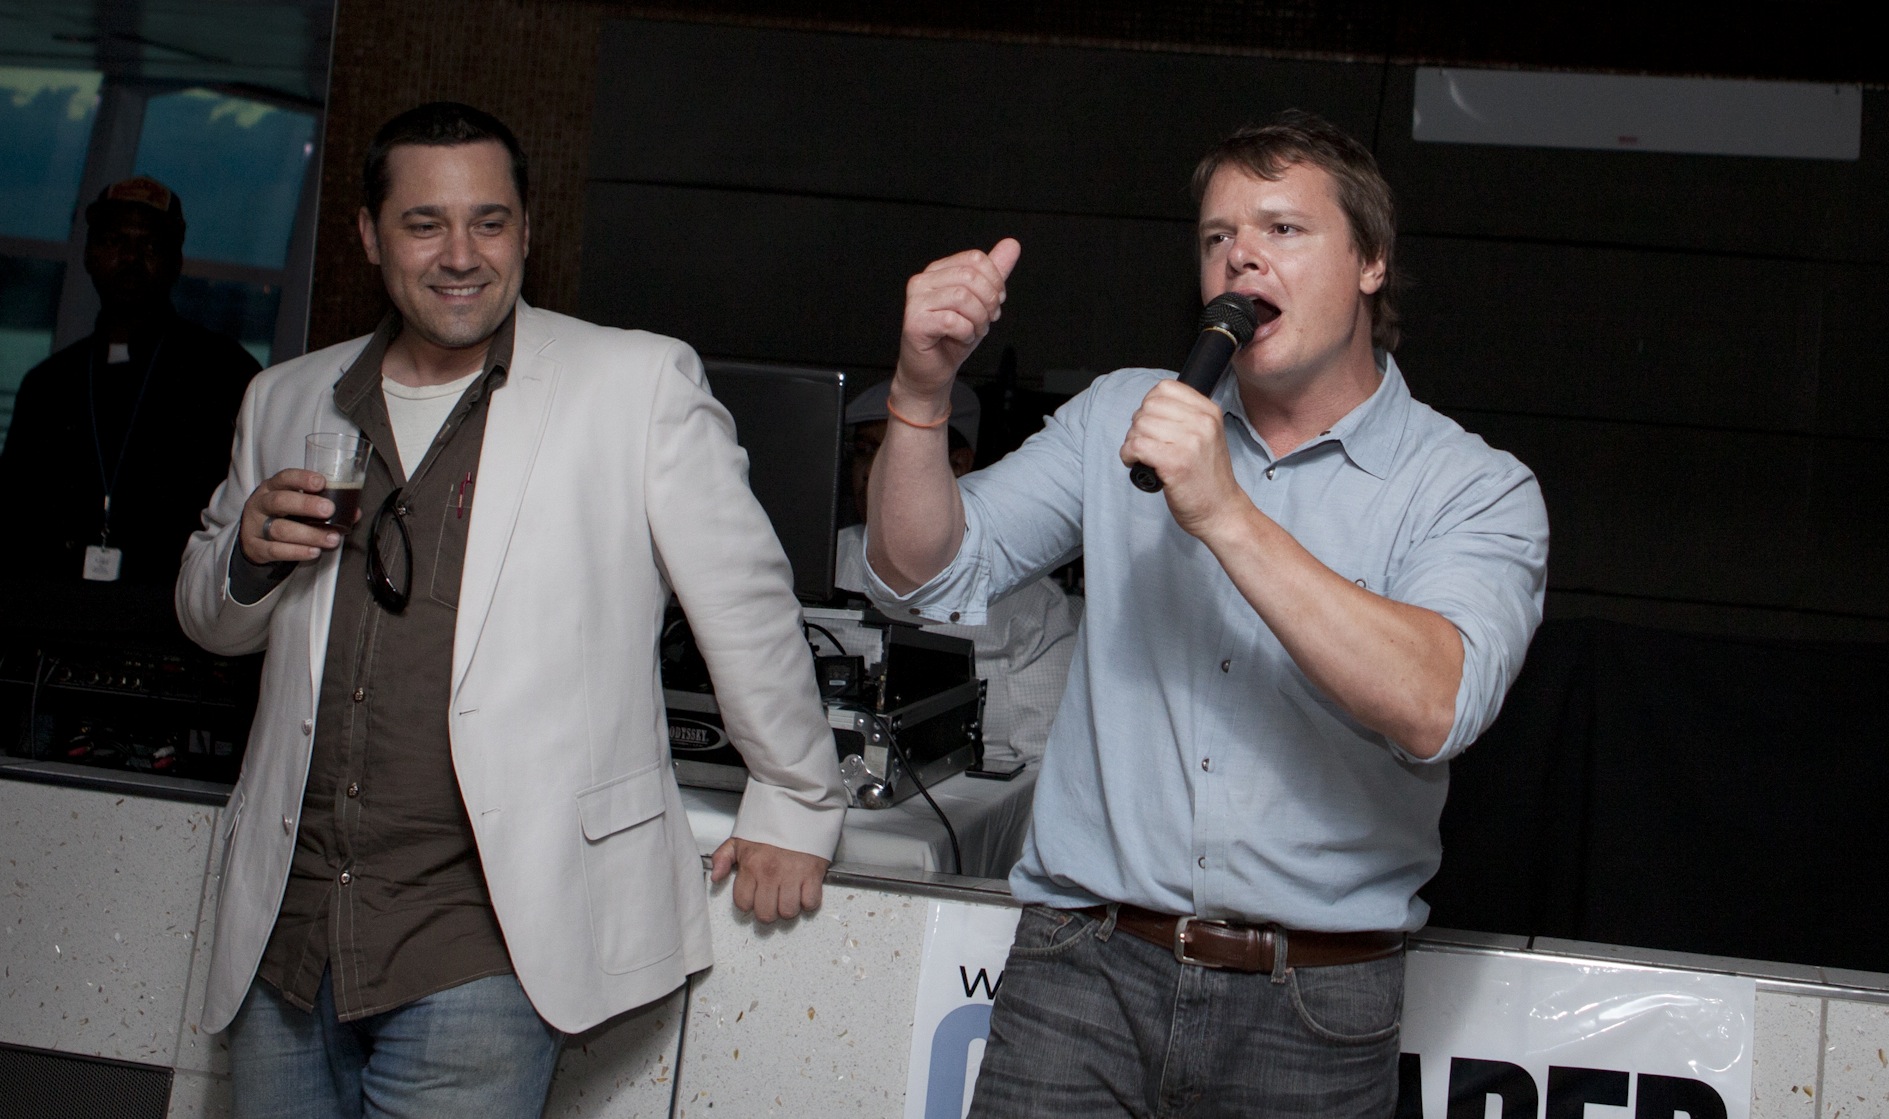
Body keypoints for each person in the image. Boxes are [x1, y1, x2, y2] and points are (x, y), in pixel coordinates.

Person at [860, 110, 1549, 1116]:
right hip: (1080, 972)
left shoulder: (1471, 488)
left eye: (1282, 229)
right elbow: (919, 571)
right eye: (1217, 235)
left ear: (1371, 262)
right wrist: (921, 393)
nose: (1240, 257)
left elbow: (1433, 704)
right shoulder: (1122, 413)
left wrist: (1224, 512)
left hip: (1311, 1005)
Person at [174, 102, 843, 1117]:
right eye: (424, 224)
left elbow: (745, 603)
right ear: (369, 236)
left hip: (490, 936)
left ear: (526, 231)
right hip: (288, 927)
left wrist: (795, 795)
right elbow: (205, 615)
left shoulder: (634, 382)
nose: (461, 255)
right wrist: (248, 560)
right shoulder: (287, 397)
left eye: (488, 222)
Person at [0, 176, 259, 590]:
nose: (131, 257)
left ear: (176, 262)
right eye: (115, 241)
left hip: (170, 610)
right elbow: (13, 519)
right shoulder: (48, 385)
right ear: (89, 255)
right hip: (51, 609)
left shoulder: (226, 373)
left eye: (151, 245)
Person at [836, 379, 1080, 768]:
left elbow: (1046, 766)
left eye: (892, 451)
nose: (872, 471)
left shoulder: (1031, 601)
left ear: (958, 464)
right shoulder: (821, 565)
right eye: (865, 451)